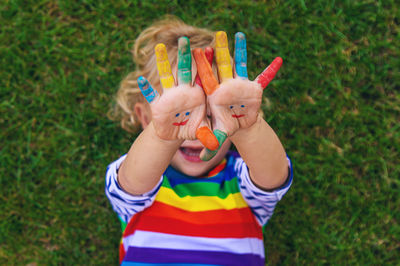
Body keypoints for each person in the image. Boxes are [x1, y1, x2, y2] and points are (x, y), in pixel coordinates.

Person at [106, 17, 293, 265]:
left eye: (212, 114)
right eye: (180, 116)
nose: (196, 131)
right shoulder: (145, 179)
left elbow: (274, 176)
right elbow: (132, 184)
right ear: (144, 117)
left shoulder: (240, 179)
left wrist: (247, 126)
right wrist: (162, 137)